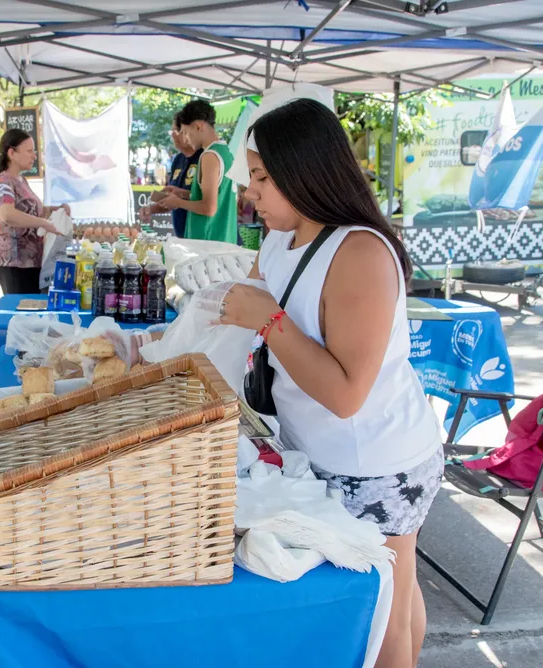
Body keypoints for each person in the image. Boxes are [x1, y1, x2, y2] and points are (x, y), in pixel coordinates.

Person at [221, 98, 443, 668]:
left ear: (306, 170)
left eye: (264, 178)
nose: (253, 194)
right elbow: (238, 315)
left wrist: (269, 319)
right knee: (398, 584)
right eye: (252, 178)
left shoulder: (359, 251)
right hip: (311, 451)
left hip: (376, 461)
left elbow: (346, 396)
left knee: (382, 611)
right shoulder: (278, 240)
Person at [0, 128, 69, 294]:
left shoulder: (21, 180)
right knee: (21, 313)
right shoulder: (4, 182)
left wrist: (56, 210)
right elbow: (7, 214)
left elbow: (31, 212)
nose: (34, 156)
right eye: (29, 151)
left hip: (32, 263)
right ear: (12, 153)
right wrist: (43, 223)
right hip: (15, 264)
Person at [162, 100, 238, 244]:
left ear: (198, 126)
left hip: (207, 244)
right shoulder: (225, 152)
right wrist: (183, 194)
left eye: (186, 132)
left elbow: (209, 208)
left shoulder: (210, 156)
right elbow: (216, 196)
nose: (185, 138)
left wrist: (178, 202)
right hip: (223, 240)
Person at [139, 113, 202, 237]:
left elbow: (208, 201)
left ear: (186, 132)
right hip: (183, 236)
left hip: (203, 236)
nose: (172, 135)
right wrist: (150, 209)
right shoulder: (178, 159)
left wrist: (181, 197)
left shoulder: (206, 158)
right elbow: (171, 201)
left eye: (174, 130)